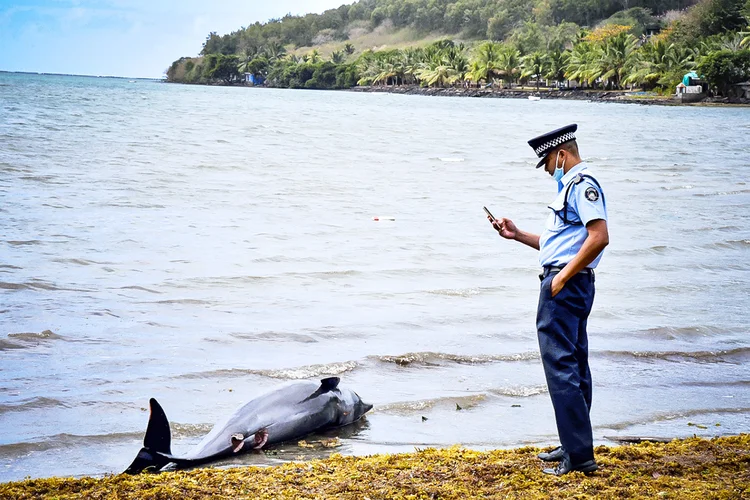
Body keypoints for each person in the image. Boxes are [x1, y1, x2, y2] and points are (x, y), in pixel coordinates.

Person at [488, 124, 609, 475]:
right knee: (574, 364)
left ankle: (580, 456)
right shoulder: (571, 186)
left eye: (547, 164)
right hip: (569, 280)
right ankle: (574, 443)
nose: (546, 171)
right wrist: (517, 235)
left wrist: (561, 278)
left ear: (561, 155)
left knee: (561, 368)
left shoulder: (581, 184)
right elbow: (560, 246)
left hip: (565, 285)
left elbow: (598, 237)